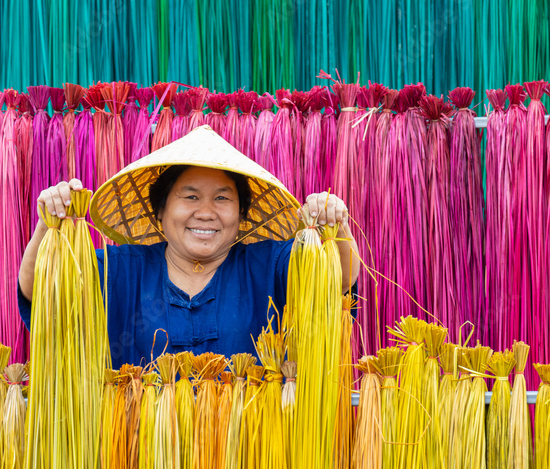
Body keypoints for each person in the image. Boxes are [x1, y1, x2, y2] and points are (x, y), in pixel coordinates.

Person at [18, 125, 360, 368]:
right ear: (160, 210)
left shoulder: (269, 264)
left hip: (248, 460)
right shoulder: (120, 270)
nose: (206, 213)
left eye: (222, 198)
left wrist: (335, 224)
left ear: (241, 214)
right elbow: (42, 294)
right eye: (190, 196)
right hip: (137, 458)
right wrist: (47, 227)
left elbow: (338, 283)